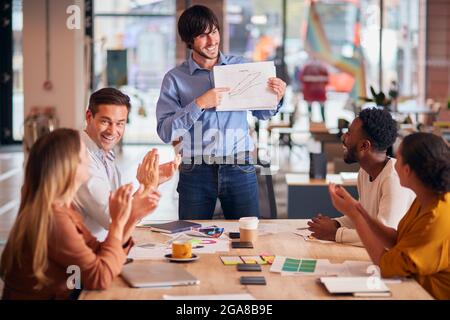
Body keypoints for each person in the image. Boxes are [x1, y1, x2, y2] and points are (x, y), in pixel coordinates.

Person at [156, 5, 286, 220]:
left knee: (247, 238)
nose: (212, 41)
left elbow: (262, 114)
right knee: (192, 238)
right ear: (189, 41)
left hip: (239, 168)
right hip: (195, 171)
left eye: (214, 32)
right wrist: (199, 103)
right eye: (203, 36)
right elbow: (165, 131)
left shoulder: (242, 67)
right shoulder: (174, 79)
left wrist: (277, 97)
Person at [0, 129, 160, 299]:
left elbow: (97, 253)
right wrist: (118, 223)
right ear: (70, 166)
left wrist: (132, 217)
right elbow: (99, 277)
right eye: (85, 153)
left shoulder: (63, 210)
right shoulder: (54, 220)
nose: (90, 158)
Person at [328, 132, 450, 299]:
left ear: (407, 170)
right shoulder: (426, 198)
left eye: (397, 159)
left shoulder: (437, 218)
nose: (393, 163)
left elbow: (385, 266)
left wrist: (355, 216)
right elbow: (397, 240)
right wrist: (358, 209)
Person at [74, 88, 180, 240]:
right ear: (89, 117)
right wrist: (147, 187)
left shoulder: (104, 153)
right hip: (86, 255)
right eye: (105, 122)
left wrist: (151, 184)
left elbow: (123, 215)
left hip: (106, 245)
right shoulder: (80, 158)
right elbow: (114, 220)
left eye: (119, 124)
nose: (112, 131)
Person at [308, 107, 415, 246]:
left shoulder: (394, 179)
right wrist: (335, 224)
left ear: (364, 146)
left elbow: (383, 238)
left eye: (349, 134)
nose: (343, 137)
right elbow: (363, 220)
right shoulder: (365, 172)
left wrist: (335, 233)